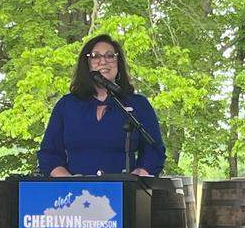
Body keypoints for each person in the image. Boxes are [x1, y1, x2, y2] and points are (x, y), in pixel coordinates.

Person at [37, 34, 166, 177]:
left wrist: (134, 180)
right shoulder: (67, 105)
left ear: (118, 63)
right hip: (74, 189)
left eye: (110, 56)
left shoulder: (138, 104)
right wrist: (71, 182)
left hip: (124, 188)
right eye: (95, 56)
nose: (103, 61)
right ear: (86, 63)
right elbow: (49, 155)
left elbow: (154, 151)